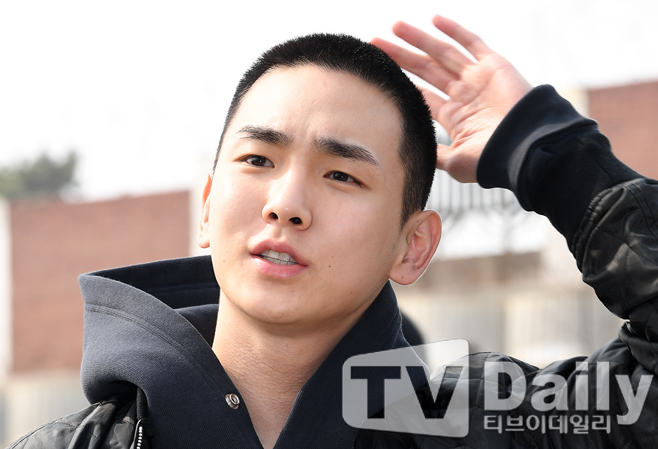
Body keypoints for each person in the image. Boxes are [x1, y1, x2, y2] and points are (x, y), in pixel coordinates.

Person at [7, 16, 658, 449]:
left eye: (341, 175)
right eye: (258, 159)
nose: (286, 204)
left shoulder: (488, 425)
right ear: (207, 207)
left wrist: (559, 162)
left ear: (414, 246)